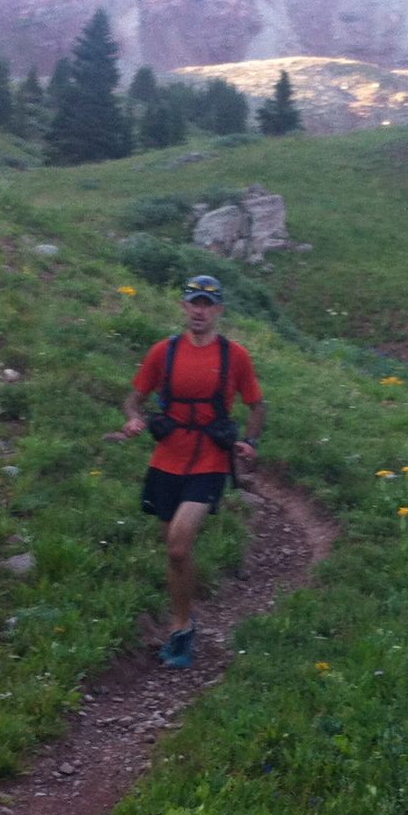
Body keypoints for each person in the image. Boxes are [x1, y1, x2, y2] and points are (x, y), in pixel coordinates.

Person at [121, 274, 264, 667]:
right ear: (184, 306)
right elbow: (134, 399)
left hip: (210, 461)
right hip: (166, 459)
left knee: (179, 544)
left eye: (208, 304)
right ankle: (185, 615)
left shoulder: (235, 356)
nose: (200, 310)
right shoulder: (162, 352)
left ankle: (181, 628)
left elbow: (257, 405)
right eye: (194, 302)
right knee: (175, 553)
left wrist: (250, 443)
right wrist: (134, 420)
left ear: (218, 310)